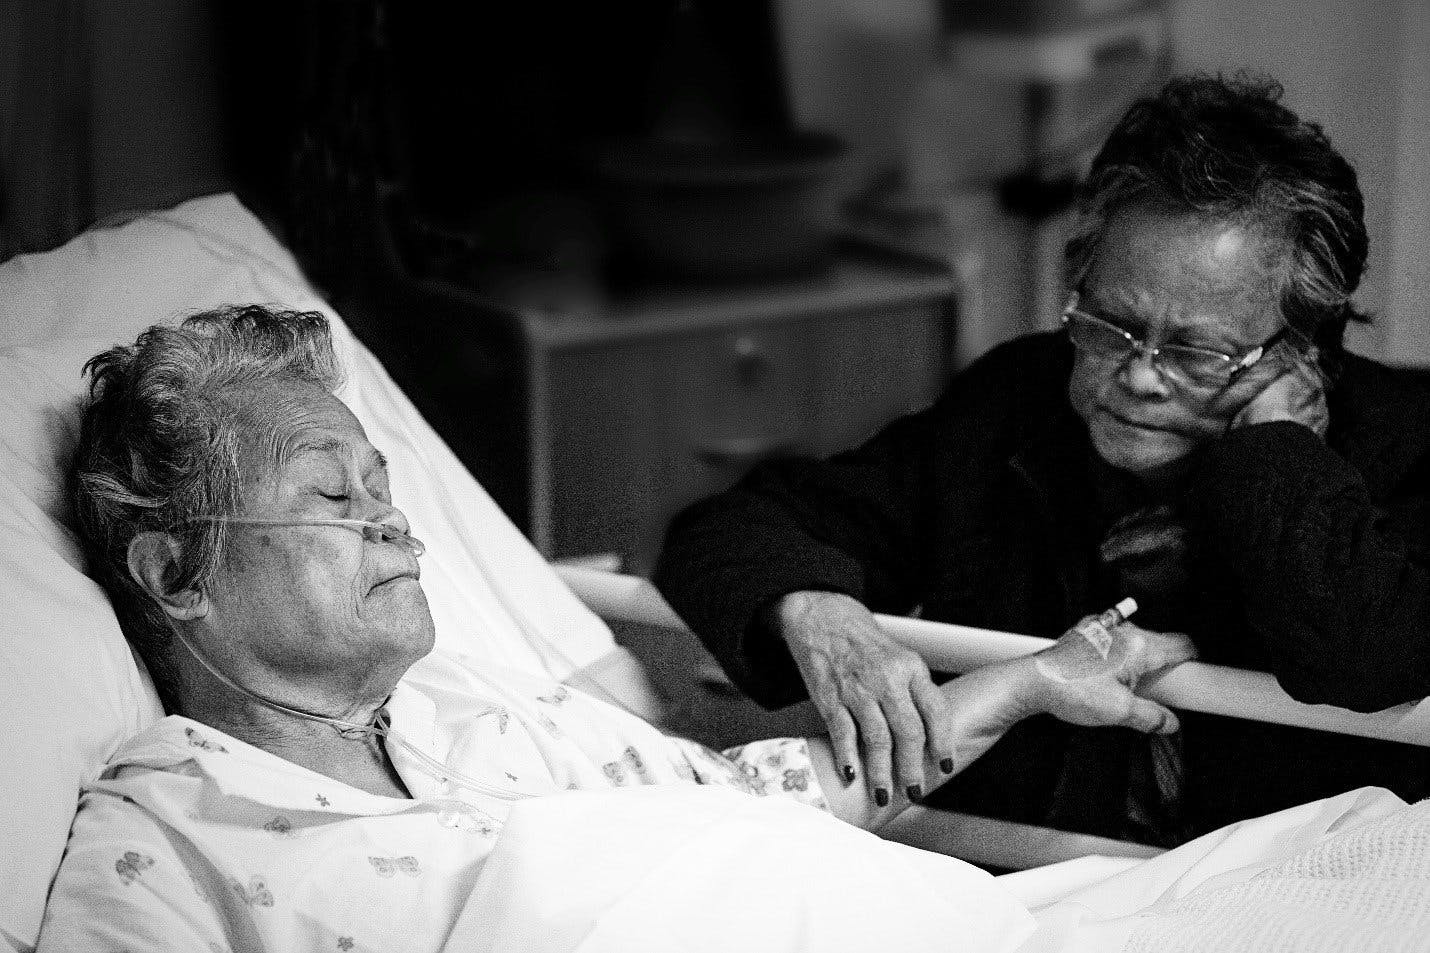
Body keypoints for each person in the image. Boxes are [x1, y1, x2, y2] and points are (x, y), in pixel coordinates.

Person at [38, 306, 1192, 952]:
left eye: (383, 485)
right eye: (332, 495)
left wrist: (1032, 681)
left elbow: (767, 809)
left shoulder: (483, 706)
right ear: (175, 572)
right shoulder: (166, 837)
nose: (390, 522)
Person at [654, 73, 1430, 845]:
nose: (1139, 376)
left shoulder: (1408, 445)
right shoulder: (1017, 402)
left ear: (1302, 349)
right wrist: (817, 614)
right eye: (1112, 325)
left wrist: (1275, 450)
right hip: (1010, 871)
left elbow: (1363, 655)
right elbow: (731, 529)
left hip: (1278, 884)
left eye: (1197, 352)